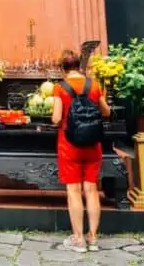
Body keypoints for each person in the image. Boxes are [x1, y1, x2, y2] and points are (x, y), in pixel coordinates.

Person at [52, 50, 110, 252]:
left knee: (73, 191)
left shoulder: (60, 87)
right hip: (93, 144)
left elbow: (57, 118)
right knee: (92, 190)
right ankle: (93, 237)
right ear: (80, 66)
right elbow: (106, 112)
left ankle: (78, 239)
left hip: (69, 145)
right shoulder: (93, 85)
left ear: (63, 68)